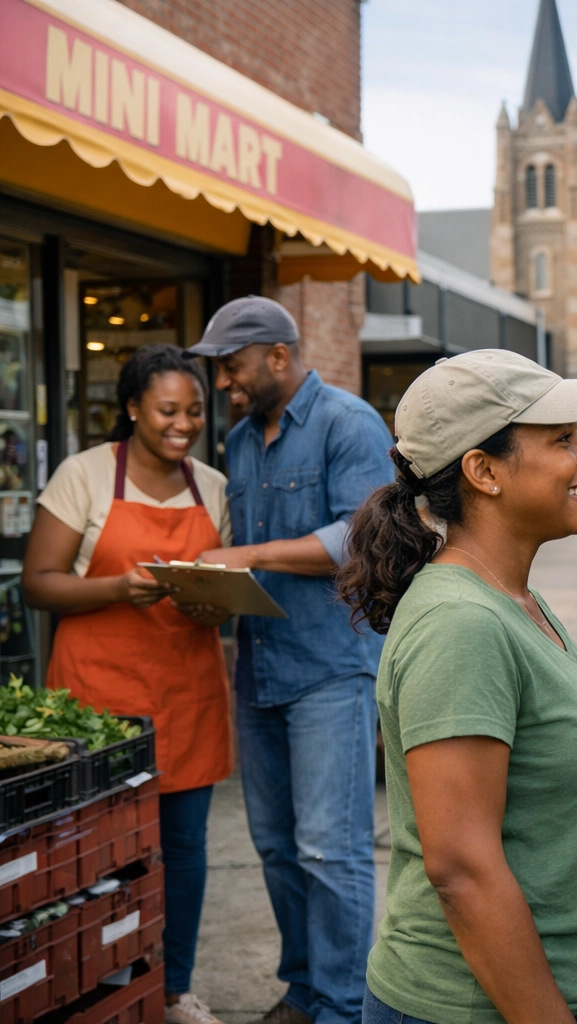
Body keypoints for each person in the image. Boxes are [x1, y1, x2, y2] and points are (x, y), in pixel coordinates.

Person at [336, 351, 577, 1024]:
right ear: (483, 470)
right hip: (482, 1006)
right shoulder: (461, 624)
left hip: (570, 992)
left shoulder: (514, 600)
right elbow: (461, 870)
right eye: (561, 439)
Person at [187, 297, 395, 1024]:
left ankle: (342, 1007)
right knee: (276, 846)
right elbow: (252, 557)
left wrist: (240, 555)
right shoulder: (242, 441)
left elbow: (355, 540)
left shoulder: (349, 422)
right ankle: (305, 989)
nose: (223, 385)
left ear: (279, 355)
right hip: (260, 668)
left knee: (329, 850)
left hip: (331, 669)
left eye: (232, 368)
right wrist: (211, 586)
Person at [22, 344, 232, 1024]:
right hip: (98, 698)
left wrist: (212, 605)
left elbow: (221, 592)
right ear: (134, 408)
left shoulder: (213, 486)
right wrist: (118, 586)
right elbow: (38, 583)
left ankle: (174, 987)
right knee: (97, 850)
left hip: (187, 694)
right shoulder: (83, 476)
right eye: (168, 409)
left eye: (195, 411)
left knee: (184, 851)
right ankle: (102, 982)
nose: (183, 424)